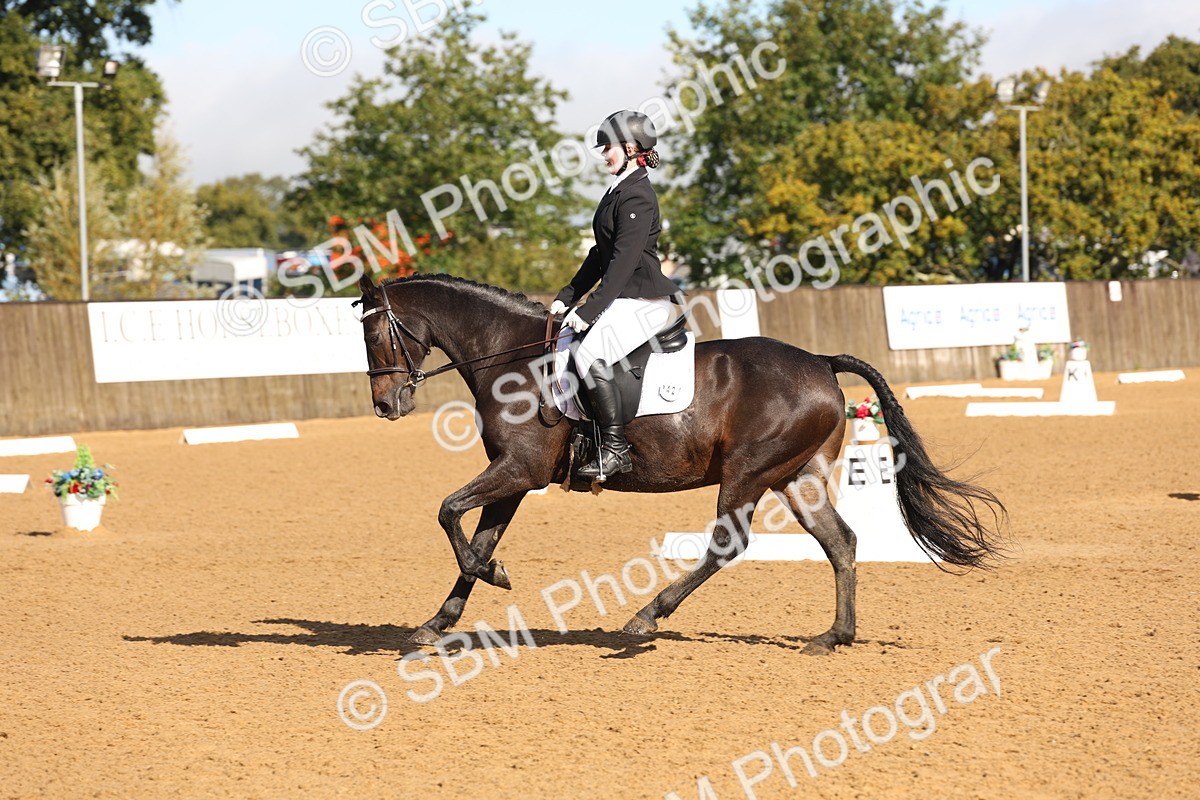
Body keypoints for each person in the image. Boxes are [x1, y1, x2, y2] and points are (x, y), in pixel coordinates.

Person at [549, 110, 683, 481]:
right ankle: (583, 439)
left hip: (643, 301)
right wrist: (568, 295)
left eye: (607, 147)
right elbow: (599, 254)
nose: (603, 154)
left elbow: (623, 262)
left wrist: (589, 309)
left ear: (629, 147)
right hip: (622, 299)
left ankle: (614, 449)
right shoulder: (616, 191)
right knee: (561, 344)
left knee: (591, 352)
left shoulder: (638, 194)